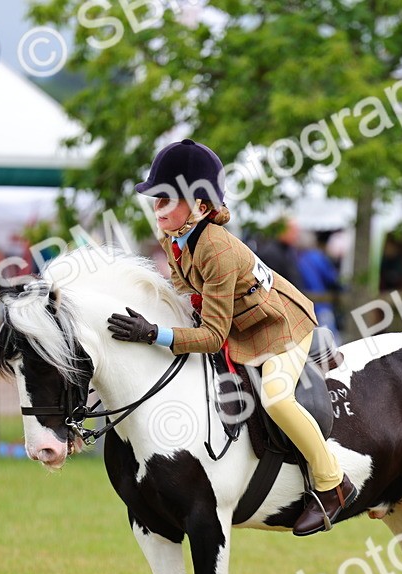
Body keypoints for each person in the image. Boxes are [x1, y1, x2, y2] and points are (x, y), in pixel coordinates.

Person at [106, 139, 357, 535]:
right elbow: (185, 293)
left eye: (168, 199)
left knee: (276, 397)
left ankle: (332, 483)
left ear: (201, 207)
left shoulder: (217, 250)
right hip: (244, 326)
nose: (157, 206)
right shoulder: (175, 238)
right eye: (156, 197)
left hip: (281, 327)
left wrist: (156, 334)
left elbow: (211, 335)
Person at [252, 217, 304, 288]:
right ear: (281, 230)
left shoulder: (287, 250)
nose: (296, 235)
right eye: (293, 231)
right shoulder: (270, 253)